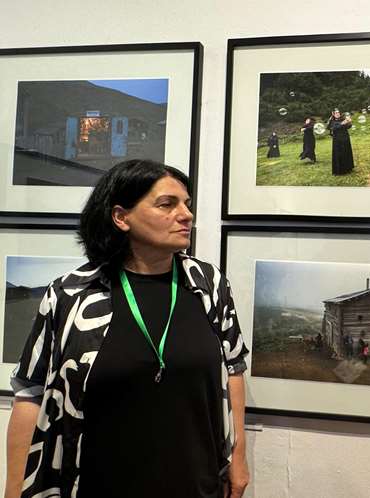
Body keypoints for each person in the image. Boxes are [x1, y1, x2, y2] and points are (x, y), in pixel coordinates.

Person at [5, 159, 250, 498]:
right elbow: (31, 394)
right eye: (168, 204)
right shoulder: (70, 294)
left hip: (195, 483)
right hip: (96, 483)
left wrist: (238, 456)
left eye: (187, 204)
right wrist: (15, 489)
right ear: (121, 217)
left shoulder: (208, 286)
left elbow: (233, 370)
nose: (186, 215)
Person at [328, 109, 354, 175]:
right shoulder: (332, 121)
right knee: (339, 154)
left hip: (345, 139)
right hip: (337, 140)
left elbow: (348, 127)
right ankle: (340, 171)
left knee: (346, 153)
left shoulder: (342, 119)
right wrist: (342, 123)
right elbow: (333, 128)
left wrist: (349, 122)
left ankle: (348, 168)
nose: (338, 114)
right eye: (336, 113)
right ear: (333, 114)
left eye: (338, 113)